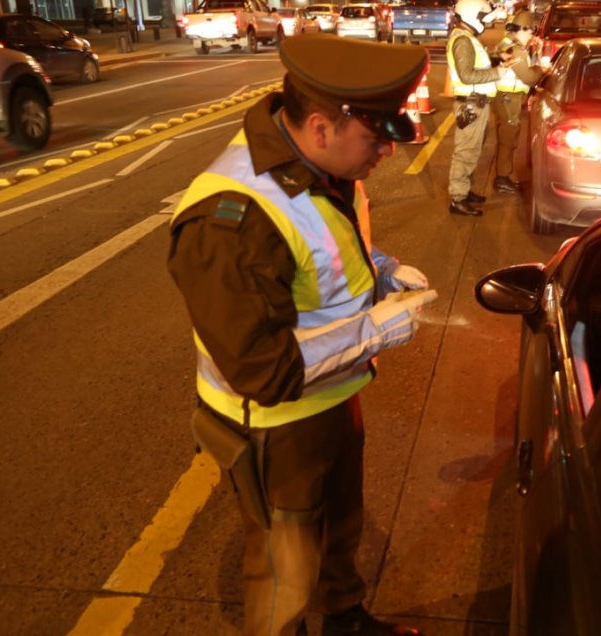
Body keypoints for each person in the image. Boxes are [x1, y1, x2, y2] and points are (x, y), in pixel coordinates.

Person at [167, 34, 435, 636]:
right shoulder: (232, 220)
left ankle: (344, 618)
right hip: (274, 426)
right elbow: (262, 370)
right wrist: (375, 330)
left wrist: (383, 268)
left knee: (340, 527)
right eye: (376, 139)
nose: (385, 154)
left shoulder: (317, 166)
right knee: (283, 563)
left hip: (333, 399)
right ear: (321, 127)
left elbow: (323, 244)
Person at [446, 0, 517, 216]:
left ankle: (465, 192)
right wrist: (499, 73)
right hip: (471, 104)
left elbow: (479, 64)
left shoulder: (468, 38)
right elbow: (467, 75)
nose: (483, 23)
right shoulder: (463, 41)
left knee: (472, 152)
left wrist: (497, 58)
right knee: (465, 153)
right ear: (471, 15)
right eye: (481, 19)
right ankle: (458, 199)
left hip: (476, 103)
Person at [490, 9, 544, 194]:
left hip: (505, 98)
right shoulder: (516, 50)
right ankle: (502, 178)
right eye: (531, 31)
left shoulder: (507, 43)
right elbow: (529, 78)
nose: (531, 35)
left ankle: (503, 177)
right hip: (508, 99)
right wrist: (542, 69)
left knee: (506, 137)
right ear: (523, 29)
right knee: (508, 139)